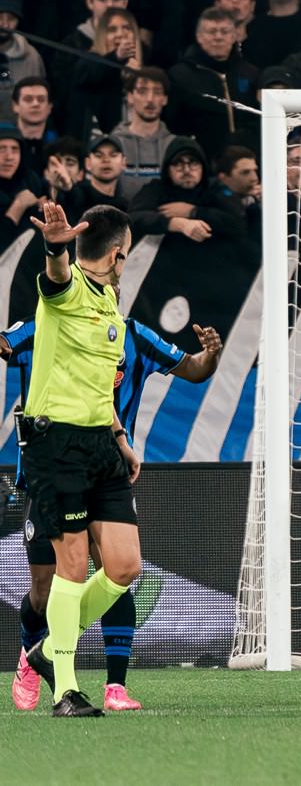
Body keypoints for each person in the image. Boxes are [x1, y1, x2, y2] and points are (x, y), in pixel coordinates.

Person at [6, 315, 221, 713]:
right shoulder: (48, 322)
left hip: (108, 473)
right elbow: (6, 344)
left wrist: (211, 356)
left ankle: (113, 685)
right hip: (52, 470)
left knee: (118, 572)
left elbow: (193, 369)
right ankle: (32, 656)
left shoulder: (133, 335)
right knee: (44, 590)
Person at [11, 202, 139, 715]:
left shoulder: (111, 306)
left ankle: (45, 648)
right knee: (71, 563)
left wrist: (120, 437)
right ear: (115, 254)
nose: (125, 262)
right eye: (126, 255)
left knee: (125, 565)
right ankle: (66, 688)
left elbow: (99, 387)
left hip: (100, 445)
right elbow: (56, 278)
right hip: (54, 445)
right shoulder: (66, 295)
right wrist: (55, 246)